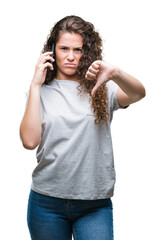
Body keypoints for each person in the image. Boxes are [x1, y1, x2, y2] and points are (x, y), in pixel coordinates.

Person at [20, 15, 146, 240]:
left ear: (86, 52)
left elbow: (138, 93)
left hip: (94, 205)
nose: (70, 56)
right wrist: (35, 84)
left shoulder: (100, 89)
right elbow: (29, 142)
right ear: (51, 50)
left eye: (77, 50)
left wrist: (114, 72)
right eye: (63, 48)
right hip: (46, 203)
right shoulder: (39, 92)